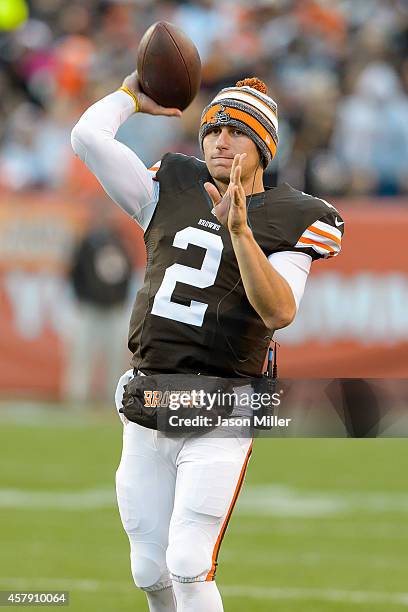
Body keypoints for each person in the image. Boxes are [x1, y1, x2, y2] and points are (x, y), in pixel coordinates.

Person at [71, 72, 344, 612]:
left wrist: (240, 231)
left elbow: (279, 310)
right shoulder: (170, 184)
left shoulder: (295, 217)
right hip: (150, 395)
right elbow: (87, 138)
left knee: (190, 562)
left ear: (264, 146)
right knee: (149, 570)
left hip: (224, 402)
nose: (220, 140)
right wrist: (131, 96)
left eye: (237, 131)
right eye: (212, 129)